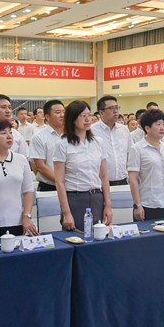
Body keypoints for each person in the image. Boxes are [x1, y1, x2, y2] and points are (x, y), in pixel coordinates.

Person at [53, 101, 112, 232]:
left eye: (89, 115)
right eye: (82, 116)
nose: (87, 119)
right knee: (75, 237)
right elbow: (59, 181)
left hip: (96, 197)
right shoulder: (62, 144)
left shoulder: (98, 142)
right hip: (75, 198)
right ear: (73, 119)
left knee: (98, 236)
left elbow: (103, 176)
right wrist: (67, 213)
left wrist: (108, 205)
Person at [128, 109, 164, 222]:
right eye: (158, 124)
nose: (162, 128)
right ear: (147, 128)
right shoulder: (137, 149)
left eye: (163, 124)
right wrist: (137, 205)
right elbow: (133, 179)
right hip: (148, 204)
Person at [91, 96, 131, 186]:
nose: (115, 111)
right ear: (101, 112)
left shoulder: (124, 130)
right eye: (111, 108)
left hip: (123, 181)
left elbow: (129, 154)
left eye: (117, 107)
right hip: (100, 183)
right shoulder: (91, 131)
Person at [29, 99, 66, 192]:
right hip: (49, 187)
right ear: (47, 117)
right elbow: (41, 166)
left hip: (72, 186)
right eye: (58, 112)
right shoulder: (39, 137)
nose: (62, 115)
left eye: (64, 112)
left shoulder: (71, 135)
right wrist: (61, 182)